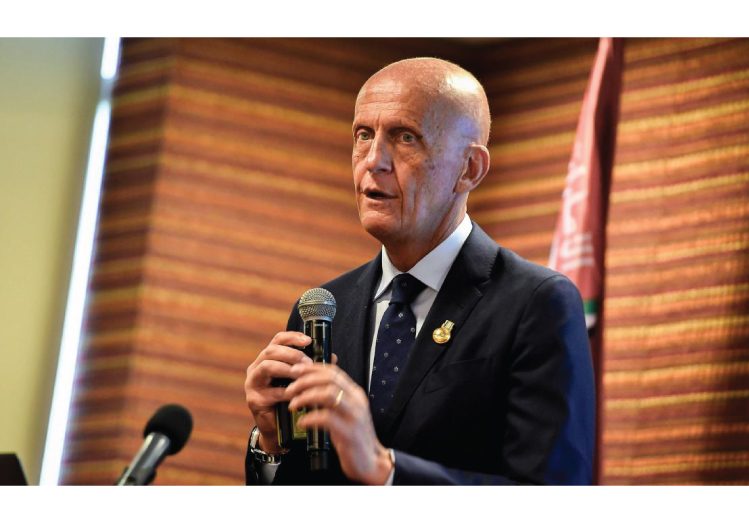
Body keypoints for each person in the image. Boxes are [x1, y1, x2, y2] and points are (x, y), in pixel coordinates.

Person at [244, 57, 595, 485]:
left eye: (405, 137)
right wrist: (271, 445)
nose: (373, 161)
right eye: (363, 135)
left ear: (469, 169)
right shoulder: (321, 311)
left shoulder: (536, 303)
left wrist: (386, 471)